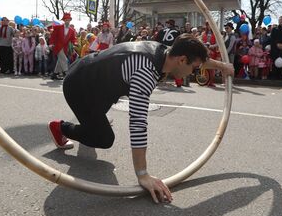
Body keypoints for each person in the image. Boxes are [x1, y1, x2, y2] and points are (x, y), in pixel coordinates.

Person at [47, 34, 235, 203]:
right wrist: (143, 174)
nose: (193, 72)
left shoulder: (166, 52)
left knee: (95, 124)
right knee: (103, 139)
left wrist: (222, 66)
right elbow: (138, 122)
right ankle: (60, 128)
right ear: (182, 60)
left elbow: (200, 59)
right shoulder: (145, 71)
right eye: (193, 68)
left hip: (99, 82)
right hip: (80, 86)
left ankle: (92, 123)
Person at [50, 12, 77, 80]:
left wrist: (75, 43)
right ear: (64, 20)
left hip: (65, 47)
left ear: (70, 20)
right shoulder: (58, 27)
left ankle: (55, 74)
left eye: (68, 20)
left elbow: (73, 39)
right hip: (57, 46)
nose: (67, 21)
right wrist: (51, 44)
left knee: (60, 61)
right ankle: (67, 74)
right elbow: (53, 36)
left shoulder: (72, 30)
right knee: (64, 60)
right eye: (66, 20)